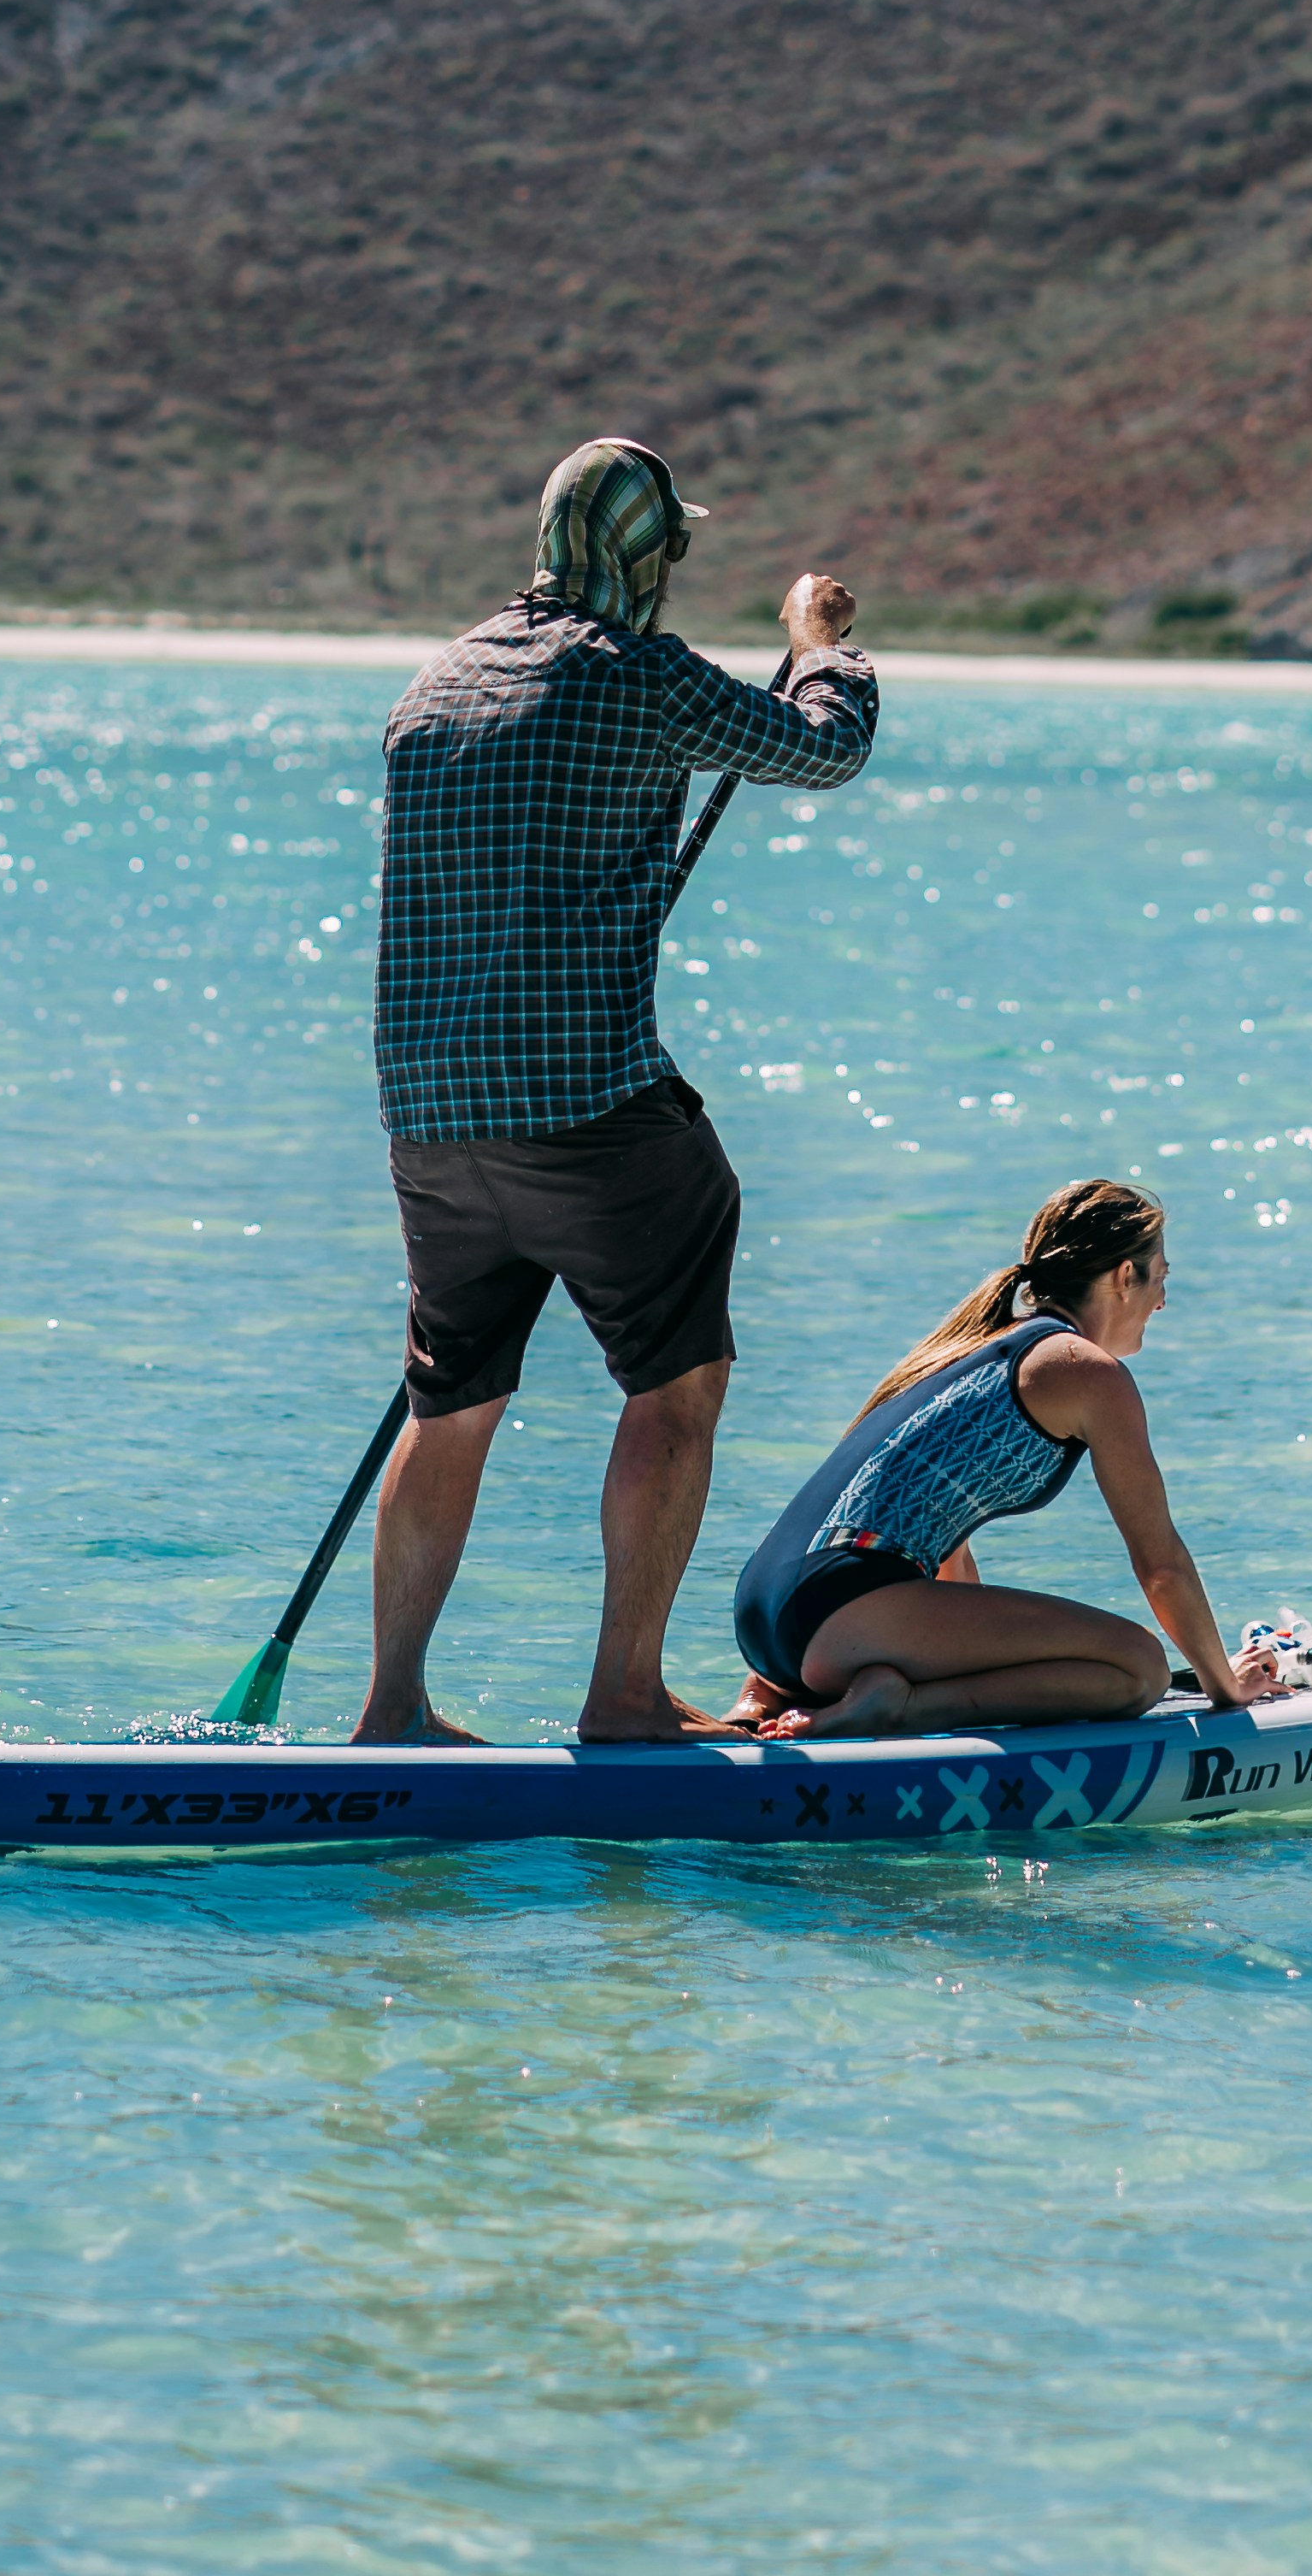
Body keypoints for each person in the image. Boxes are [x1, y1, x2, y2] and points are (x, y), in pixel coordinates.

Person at [355, 432, 878, 1747]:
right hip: (592, 1112)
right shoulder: (642, 679)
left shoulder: (434, 686)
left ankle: (393, 1708)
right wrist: (819, 639)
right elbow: (823, 750)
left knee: (450, 1405)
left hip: (431, 1122)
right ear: (654, 559)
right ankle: (625, 1695)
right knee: (675, 1389)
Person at [723, 1173, 1285, 1734]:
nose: (1162, 1301)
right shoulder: (1084, 1370)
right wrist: (1225, 1688)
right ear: (1125, 1276)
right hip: (841, 1609)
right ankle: (898, 1705)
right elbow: (1160, 1566)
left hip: (766, 1614)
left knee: (1114, 1660)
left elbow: (949, 1551)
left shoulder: (968, 1350)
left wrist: (981, 1671)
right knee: (1138, 1668)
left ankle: (768, 1696)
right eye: (1161, 1279)